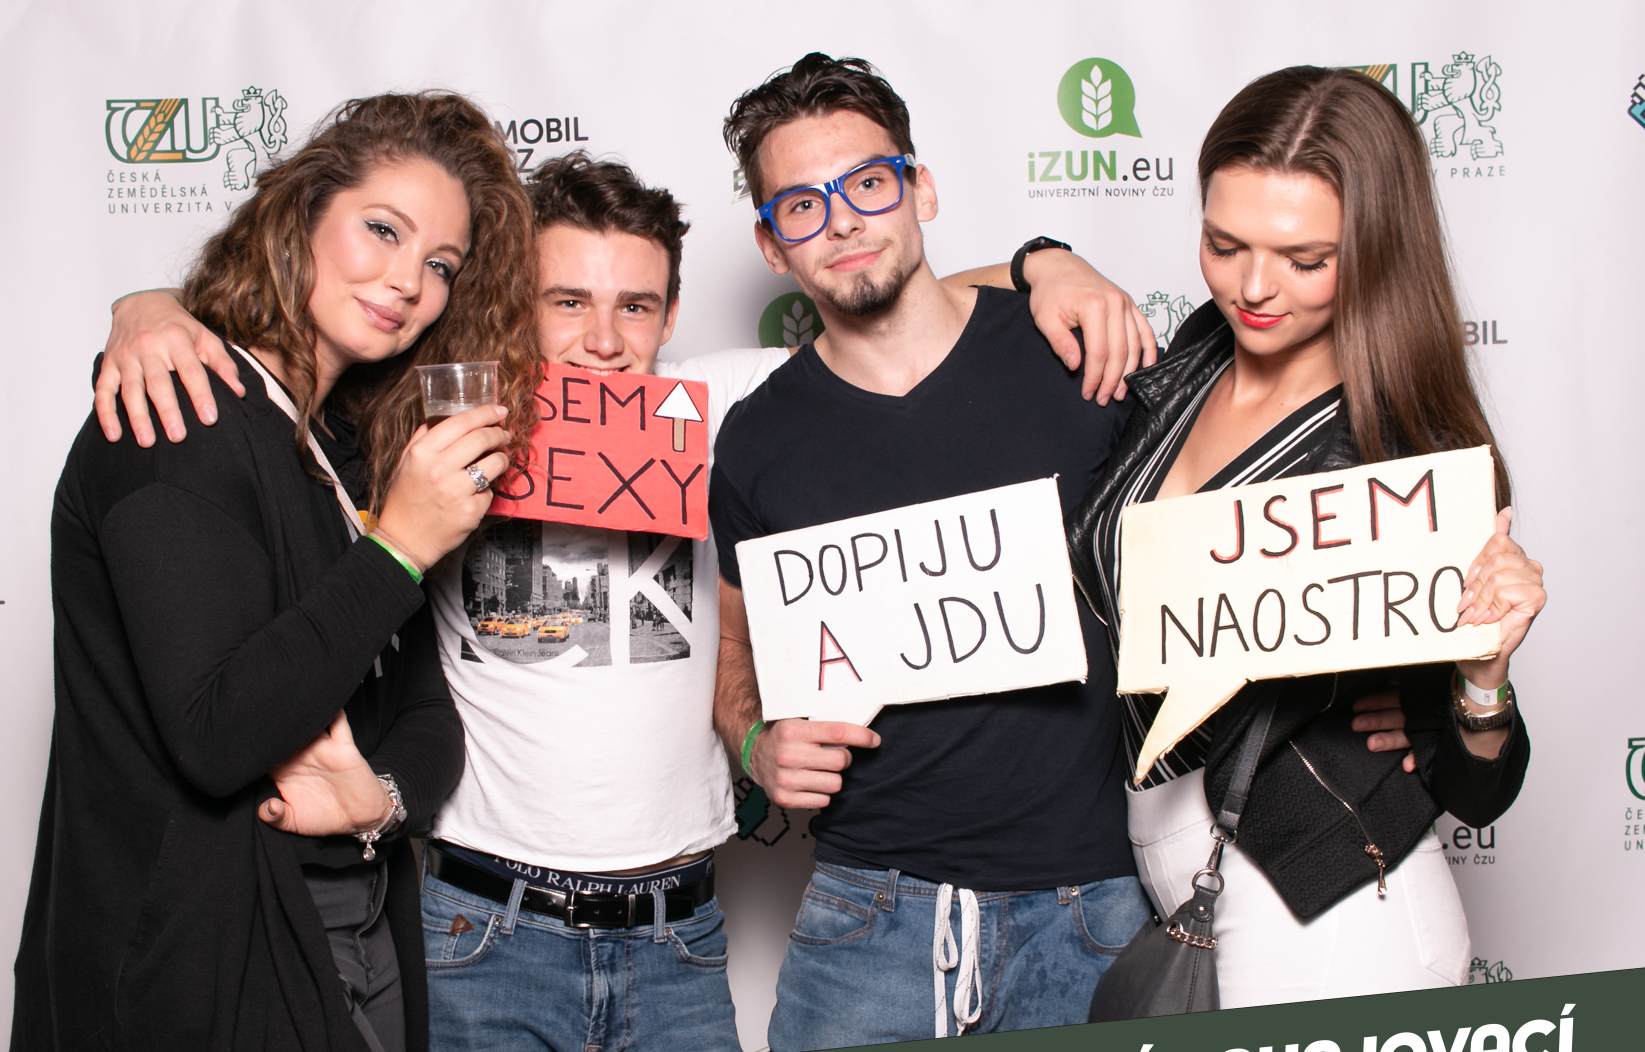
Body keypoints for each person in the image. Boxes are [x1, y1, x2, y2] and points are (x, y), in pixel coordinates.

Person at [88, 145, 1152, 1050]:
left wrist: (1043, 263)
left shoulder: (729, 404)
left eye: (635, 306)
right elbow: (295, 346)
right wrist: (149, 311)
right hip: (481, 933)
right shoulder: (438, 421)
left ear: (671, 312)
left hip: (679, 940)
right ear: (512, 302)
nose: (604, 339)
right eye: (568, 302)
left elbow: (893, 306)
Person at [11, 92, 533, 1052]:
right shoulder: (179, 415)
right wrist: (399, 548)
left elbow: (424, 714)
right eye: (383, 230)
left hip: (354, 930)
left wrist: (380, 799)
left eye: (441, 265)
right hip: (202, 963)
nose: (407, 282)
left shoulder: (347, 451)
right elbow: (217, 733)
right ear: (301, 213)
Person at [707, 53, 1160, 1049]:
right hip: (870, 913)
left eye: (868, 184)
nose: (842, 222)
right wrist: (753, 742)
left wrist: (1046, 260)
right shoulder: (757, 439)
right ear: (772, 245)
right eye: (802, 206)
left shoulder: (1069, 351)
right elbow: (731, 649)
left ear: (920, 189)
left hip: (1093, 903)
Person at [1069, 66, 1544, 1007]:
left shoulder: (1403, 457)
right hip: (1174, 877)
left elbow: (1476, 789)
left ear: (1373, 249)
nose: (1254, 287)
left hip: (1332, 910)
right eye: (1224, 244)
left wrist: (1479, 680)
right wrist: (1047, 262)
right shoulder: (1200, 352)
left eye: (1304, 259)